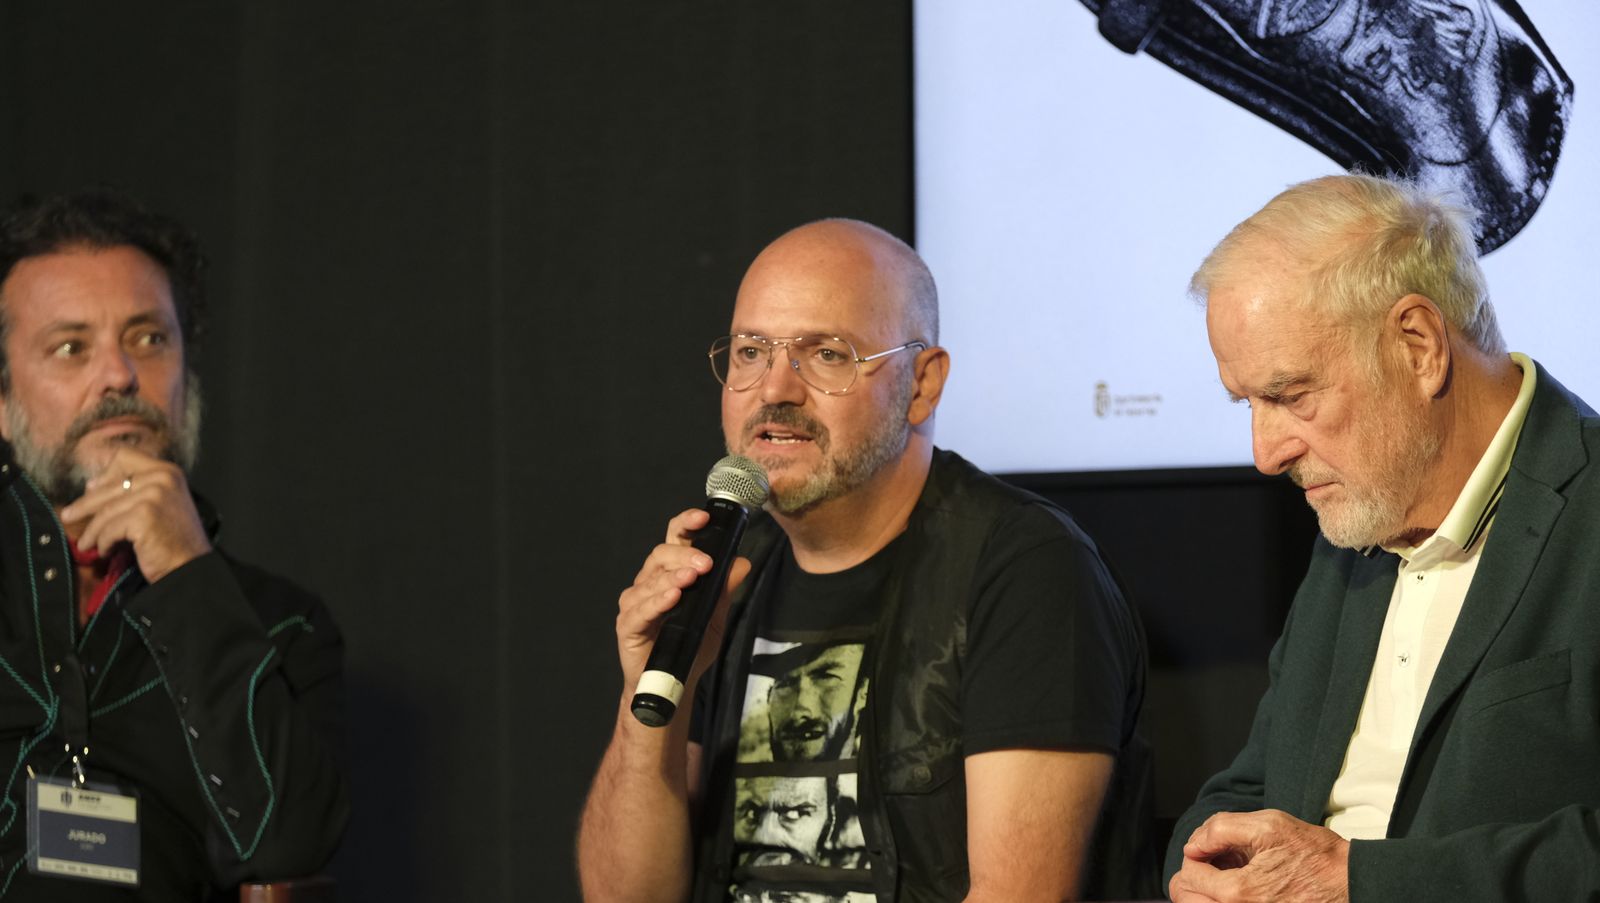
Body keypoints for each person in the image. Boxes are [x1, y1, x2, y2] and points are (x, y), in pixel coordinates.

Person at [578, 219, 1150, 902]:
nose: (774, 389)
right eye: (751, 350)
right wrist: (649, 697)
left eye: (826, 353)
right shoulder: (723, 573)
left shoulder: (1025, 568)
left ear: (922, 384)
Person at [1167, 172, 1600, 901]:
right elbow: (1248, 789)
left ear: (1419, 345)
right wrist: (1212, 870)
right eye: (1248, 402)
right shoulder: (1354, 532)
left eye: (1290, 395)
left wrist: (1361, 882)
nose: (1265, 453)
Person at [0, 188, 347, 900]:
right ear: (2, 404)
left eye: (149, 339)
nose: (120, 376)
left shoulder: (280, 624)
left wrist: (188, 573)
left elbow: (290, 846)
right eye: (71, 348)